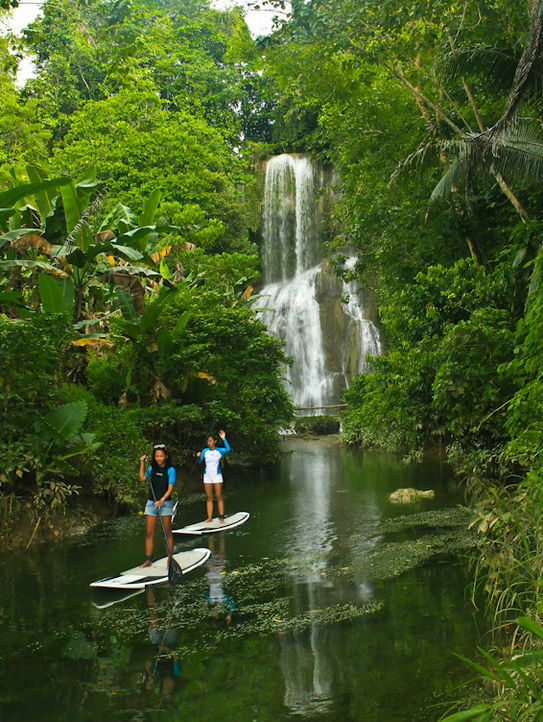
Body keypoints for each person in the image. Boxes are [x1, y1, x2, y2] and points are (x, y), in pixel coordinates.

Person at [139, 443, 175, 567]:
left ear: (165, 456)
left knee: (167, 532)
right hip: (151, 503)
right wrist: (142, 464)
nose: (159, 458)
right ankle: (148, 560)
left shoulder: (170, 470)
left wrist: (162, 500)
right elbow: (142, 478)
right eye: (156, 456)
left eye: (161, 456)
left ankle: (170, 559)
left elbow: (170, 489)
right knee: (149, 533)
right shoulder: (151, 469)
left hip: (165, 504)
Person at [196, 429, 230, 523]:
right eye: (208, 441)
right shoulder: (205, 451)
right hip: (207, 476)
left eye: (210, 441)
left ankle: (221, 517)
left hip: (217, 476)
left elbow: (228, 449)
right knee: (209, 497)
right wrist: (198, 457)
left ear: (214, 441)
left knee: (219, 496)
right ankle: (209, 517)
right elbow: (199, 462)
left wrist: (224, 439)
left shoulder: (219, 451)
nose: (209, 443)